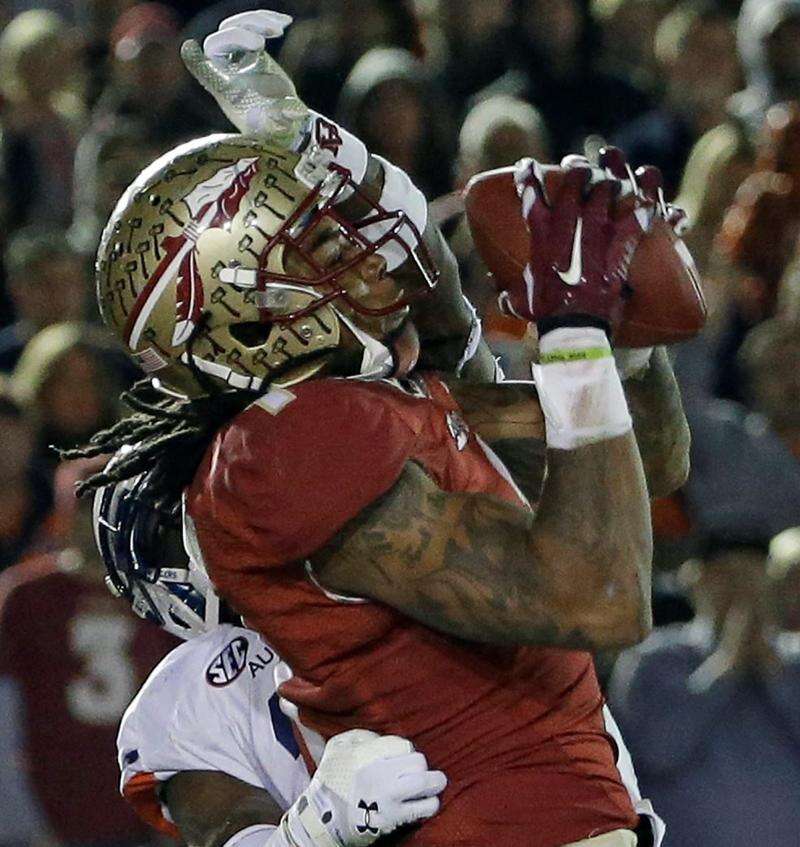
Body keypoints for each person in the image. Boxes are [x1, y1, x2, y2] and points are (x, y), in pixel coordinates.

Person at [70, 11, 690, 847]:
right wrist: (574, 328)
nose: (360, 252)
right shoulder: (285, 447)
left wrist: (621, 330)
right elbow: (601, 593)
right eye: (321, 245)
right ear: (247, 311)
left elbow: (644, 461)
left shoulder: (374, 404)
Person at [94, 459, 447, 847]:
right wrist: (320, 827)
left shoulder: (400, 560)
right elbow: (235, 833)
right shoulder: (193, 688)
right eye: (181, 532)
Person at [0, 460, 176, 847]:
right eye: (85, 508)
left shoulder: (158, 592)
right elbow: (5, 715)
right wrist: (20, 817)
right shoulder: (27, 597)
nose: (96, 521)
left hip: (142, 806)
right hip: (55, 803)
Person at [609, 531, 800, 847]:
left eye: (754, 578)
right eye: (729, 577)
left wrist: (774, 673)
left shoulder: (794, 663)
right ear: (696, 581)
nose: (743, 591)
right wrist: (724, 669)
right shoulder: (655, 659)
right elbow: (656, 752)